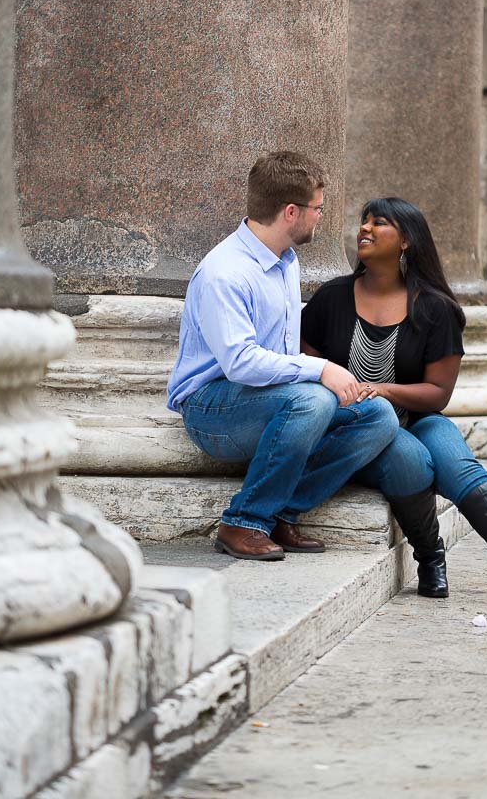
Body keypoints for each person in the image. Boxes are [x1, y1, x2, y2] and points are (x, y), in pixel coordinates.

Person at [301, 197, 487, 611]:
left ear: (405, 242)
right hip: (357, 428)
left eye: (378, 223)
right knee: (411, 462)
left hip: (418, 417)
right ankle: (430, 558)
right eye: (363, 222)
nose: (364, 228)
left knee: (456, 464)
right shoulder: (331, 299)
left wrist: (382, 390)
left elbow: (438, 393)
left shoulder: (435, 308)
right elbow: (306, 367)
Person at [166, 153, 399, 562]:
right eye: (318, 209)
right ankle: (244, 521)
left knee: (377, 416)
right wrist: (321, 369)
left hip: (264, 400)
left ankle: (281, 511)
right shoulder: (226, 273)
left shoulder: (285, 261)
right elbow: (240, 363)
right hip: (210, 409)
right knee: (313, 399)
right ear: (291, 211)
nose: (320, 217)